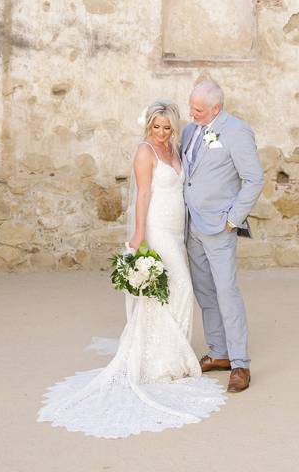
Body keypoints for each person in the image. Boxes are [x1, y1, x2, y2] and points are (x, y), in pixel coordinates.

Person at [37, 100, 224, 438]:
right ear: (148, 127)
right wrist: (139, 234)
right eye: (157, 127)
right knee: (177, 285)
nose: (162, 133)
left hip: (175, 227)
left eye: (167, 128)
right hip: (156, 227)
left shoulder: (174, 150)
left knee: (176, 289)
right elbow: (143, 194)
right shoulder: (145, 152)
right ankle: (161, 362)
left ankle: (172, 356)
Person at [182, 81, 264, 393]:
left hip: (220, 227)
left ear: (216, 108)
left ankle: (240, 363)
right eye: (191, 107)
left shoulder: (237, 131)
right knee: (204, 292)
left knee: (227, 293)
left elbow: (254, 179)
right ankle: (219, 353)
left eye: (198, 110)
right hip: (192, 226)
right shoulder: (191, 130)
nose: (192, 114)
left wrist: (233, 219)